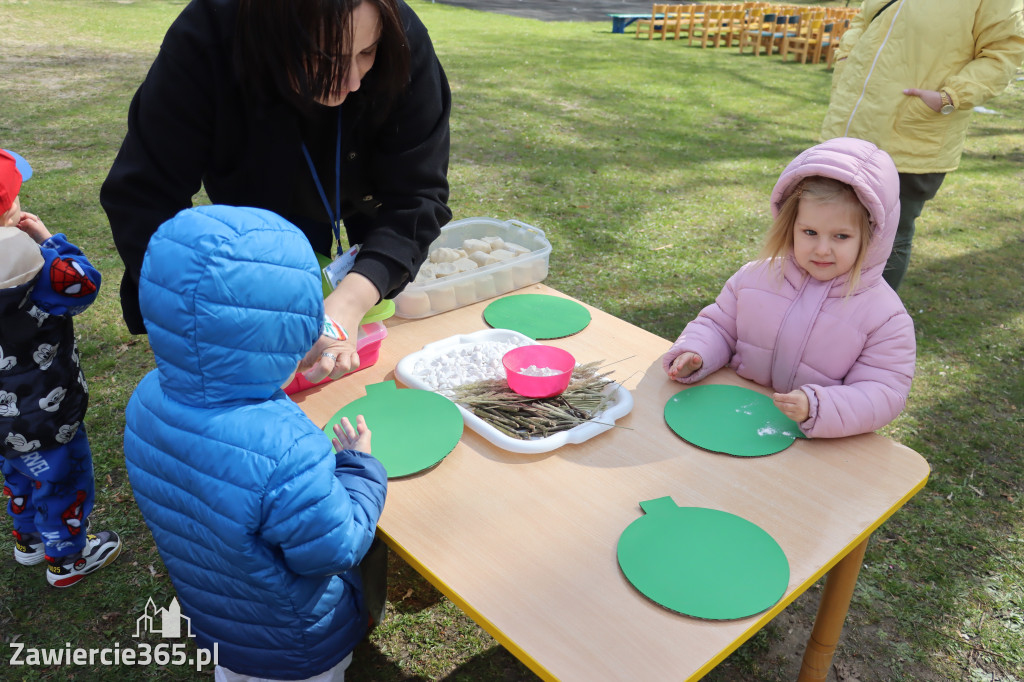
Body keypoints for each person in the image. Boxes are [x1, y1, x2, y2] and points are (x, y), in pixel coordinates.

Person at [101, 0, 452, 382]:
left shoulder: (401, 36)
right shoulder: (207, 37)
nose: (351, 81)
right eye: (325, 57)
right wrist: (205, 316)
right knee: (268, 286)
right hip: (257, 195)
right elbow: (143, 196)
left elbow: (418, 196)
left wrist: (349, 303)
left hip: (363, 182)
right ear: (270, 35)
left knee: (356, 283)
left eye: (366, 53)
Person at [123, 205, 388, 681]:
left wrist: (278, 380)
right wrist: (359, 469)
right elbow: (335, 548)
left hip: (222, 621)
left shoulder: (146, 397)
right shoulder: (287, 452)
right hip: (298, 642)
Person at [662, 138, 916, 439]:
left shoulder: (885, 318)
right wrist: (697, 353)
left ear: (872, 238)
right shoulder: (756, 278)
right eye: (810, 232)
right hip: (732, 415)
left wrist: (818, 406)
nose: (822, 249)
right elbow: (718, 327)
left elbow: (883, 393)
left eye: (841, 236)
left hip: (814, 445)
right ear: (789, 225)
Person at [820, 0, 1024, 291]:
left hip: (912, 139)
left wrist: (950, 96)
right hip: (849, 125)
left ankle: (870, 325)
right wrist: (846, 60)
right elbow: (863, 20)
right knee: (825, 223)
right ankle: (819, 313)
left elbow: (1004, 52)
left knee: (889, 237)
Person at [0, 149, 122, 587]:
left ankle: (28, 541)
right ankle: (66, 560)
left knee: (17, 473)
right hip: (49, 415)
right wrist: (50, 240)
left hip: (3, 421)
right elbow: (84, 285)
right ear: (10, 209)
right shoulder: (39, 268)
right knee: (62, 483)